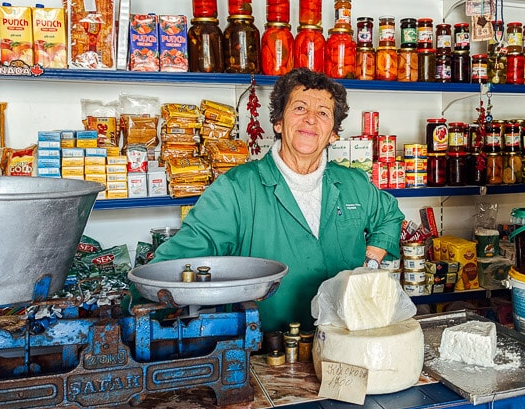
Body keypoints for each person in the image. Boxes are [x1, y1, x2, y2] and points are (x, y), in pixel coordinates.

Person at [151, 68, 405, 332]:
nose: (310, 119)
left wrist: (371, 262)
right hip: (265, 346)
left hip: (346, 339)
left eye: (323, 113)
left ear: (333, 134)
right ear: (278, 122)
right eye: (299, 108)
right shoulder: (236, 189)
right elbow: (175, 264)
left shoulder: (354, 183)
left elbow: (389, 214)